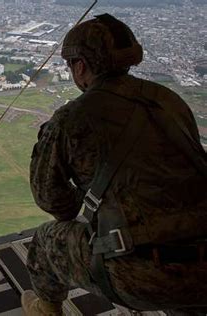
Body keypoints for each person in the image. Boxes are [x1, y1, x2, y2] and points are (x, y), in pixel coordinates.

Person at [22, 13, 207, 316]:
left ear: (80, 66)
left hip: (141, 276)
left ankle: (45, 310)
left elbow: (52, 200)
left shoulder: (72, 119)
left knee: (45, 241)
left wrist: (88, 199)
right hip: (202, 268)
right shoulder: (168, 100)